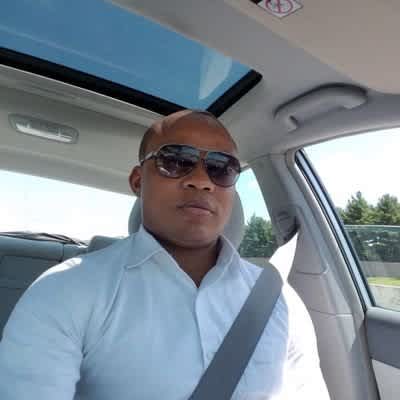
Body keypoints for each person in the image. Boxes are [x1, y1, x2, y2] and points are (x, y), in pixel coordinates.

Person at [0, 110, 330, 399]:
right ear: (137, 180)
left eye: (221, 167)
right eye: (175, 161)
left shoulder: (280, 301)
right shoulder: (63, 291)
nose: (201, 181)